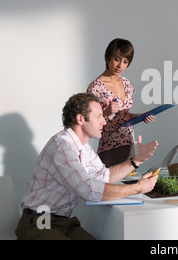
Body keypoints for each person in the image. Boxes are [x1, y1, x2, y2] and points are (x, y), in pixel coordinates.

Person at [15, 93, 159, 240]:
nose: (104, 121)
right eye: (99, 116)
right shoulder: (63, 146)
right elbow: (88, 190)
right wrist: (137, 188)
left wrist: (137, 160)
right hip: (39, 221)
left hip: (63, 222)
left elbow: (104, 176)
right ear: (81, 119)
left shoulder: (83, 148)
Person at [87, 38, 154, 167]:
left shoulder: (126, 83)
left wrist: (142, 116)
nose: (120, 65)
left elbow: (124, 116)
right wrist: (106, 112)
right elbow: (89, 121)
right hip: (109, 147)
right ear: (108, 57)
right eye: (117, 59)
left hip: (128, 143)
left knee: (129, 185)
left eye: (125, 61)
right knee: (110, 185)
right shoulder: (95, 87)